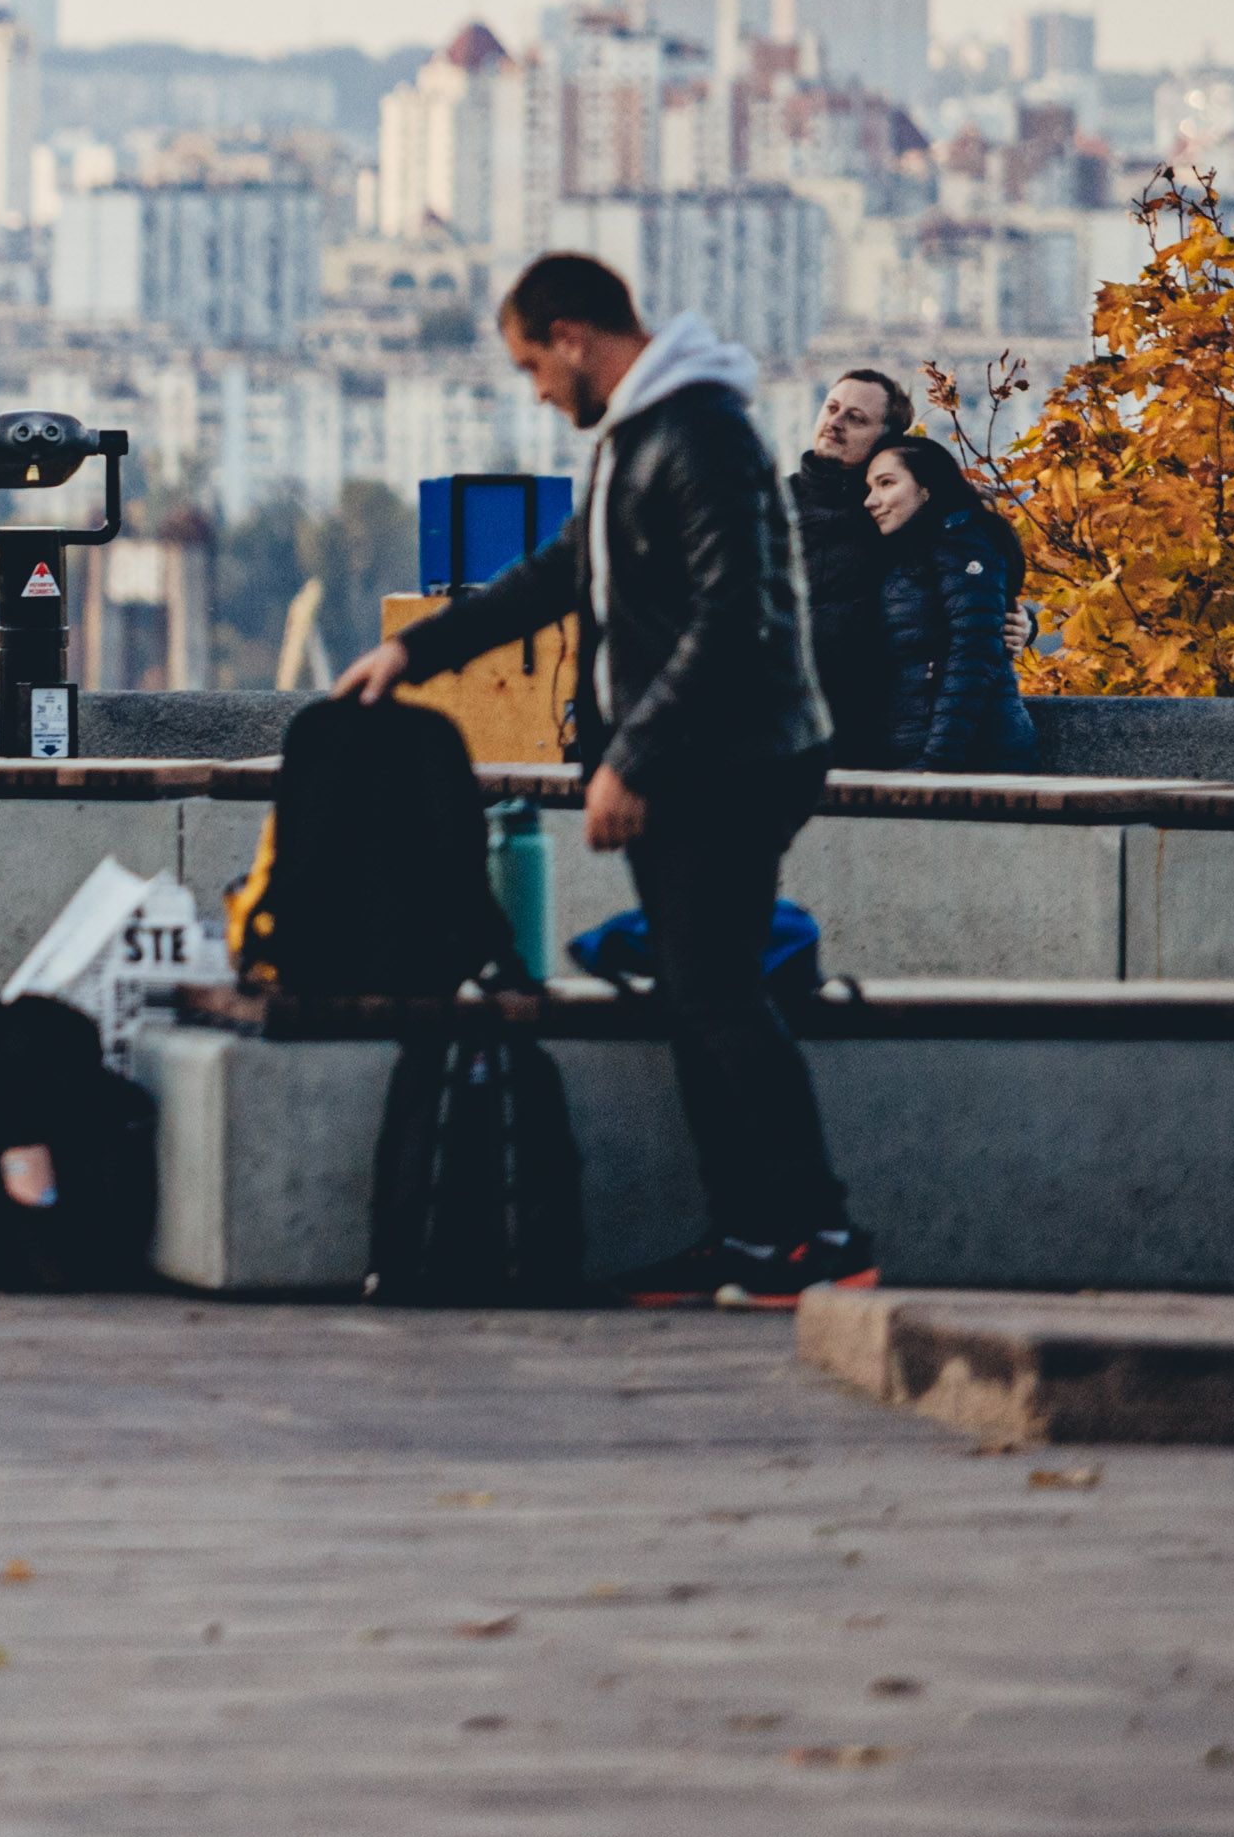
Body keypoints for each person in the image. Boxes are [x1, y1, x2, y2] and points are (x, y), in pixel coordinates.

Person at [335, 250, 874, 1303]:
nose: (535, 386)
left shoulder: (698, 431)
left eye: (533, 362)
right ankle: (760, 1236)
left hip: (736, 758)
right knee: (696, 991)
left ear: (575, 336)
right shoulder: (643, 431)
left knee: (716, 992)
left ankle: (818, 1235)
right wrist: (418, 652)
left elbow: (737, 616)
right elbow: (563, 573)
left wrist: (632, 757)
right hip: (706, 756)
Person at [862, 433, 1046, 774]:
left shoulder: (963, 542)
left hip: (975, 761)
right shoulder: (913, 554)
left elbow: (974, 653)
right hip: (925, 752)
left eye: (886, 484)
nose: (870, 501)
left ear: (926, 488)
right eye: (870, 488)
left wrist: (937, 761)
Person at [795, 366, 912, 763]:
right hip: (769, 731)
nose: (835, 422)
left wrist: (1022, 624)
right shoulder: (767, 504)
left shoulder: (900, 512)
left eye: (856, 418)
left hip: (870, 735)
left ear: (886, 439)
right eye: (832, 408)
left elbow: (965, 577)